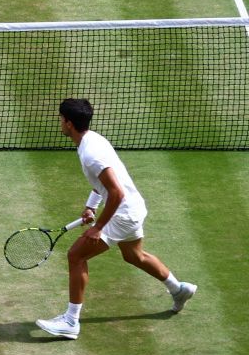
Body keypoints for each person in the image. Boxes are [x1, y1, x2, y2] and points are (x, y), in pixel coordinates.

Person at [36, 98, 196, 340]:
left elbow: (116, 191)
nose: (60, 123)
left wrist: (98, 227)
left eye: (61, 119)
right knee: (134, 255)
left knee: (75, 256)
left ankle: (70, 322)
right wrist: (91, 206)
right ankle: (178, 289)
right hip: (133, 208)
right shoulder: (93, 140)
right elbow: (105, 186)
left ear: (68, 123)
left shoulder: (90, 153)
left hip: (123, 213)